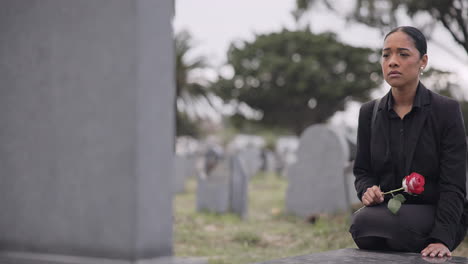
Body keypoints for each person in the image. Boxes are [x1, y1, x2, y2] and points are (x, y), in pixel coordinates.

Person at [349, 26, 468, 258]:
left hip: (434, 212)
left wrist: (441, 238)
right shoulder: (369, 113)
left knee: (376, 224)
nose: (393, 62)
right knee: (363, 223)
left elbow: (453, 184)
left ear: (423, 61)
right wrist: (367, 191)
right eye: (386, 55)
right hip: (387, 211)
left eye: (403, 54)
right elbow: (363, 171)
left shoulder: (446, 110)